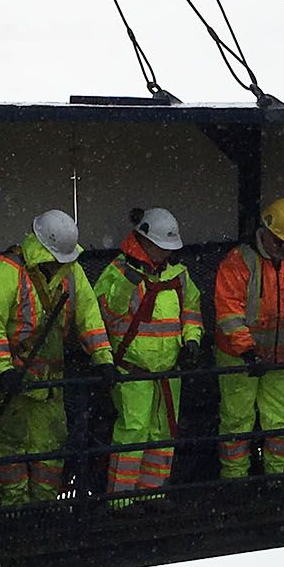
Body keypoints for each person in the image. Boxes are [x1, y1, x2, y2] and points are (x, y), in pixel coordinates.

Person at [0, 208, 116, 507]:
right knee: (10, 454)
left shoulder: (70, 271)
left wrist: (103, 358)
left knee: (50, 455)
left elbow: (89, 316)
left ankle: (45, 512)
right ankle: (18, 516)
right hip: (9, 386)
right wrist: (3, 370)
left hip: (48, 386)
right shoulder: (3, 271)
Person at [212, 196, 284, 481]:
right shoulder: (238, 263)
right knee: (237, 423)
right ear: (265, 233)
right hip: (239, 361)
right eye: (281, 243)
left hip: (283, 359)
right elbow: (228, 312)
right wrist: (248, 352)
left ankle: (279, 481)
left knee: (282, 424)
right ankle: (235, 482)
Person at [93, 207, 204, 507]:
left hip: (169, 373)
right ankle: (122, 502)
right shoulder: (117, 273)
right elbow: (104, 316)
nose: (165, 254)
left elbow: (191, 310)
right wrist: (128, 282)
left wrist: (192, 341)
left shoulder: (179, 275)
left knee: (164, 434)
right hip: (133, 372)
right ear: (143, 241)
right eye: (161, 247)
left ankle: (153, 495)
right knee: (133, 434)